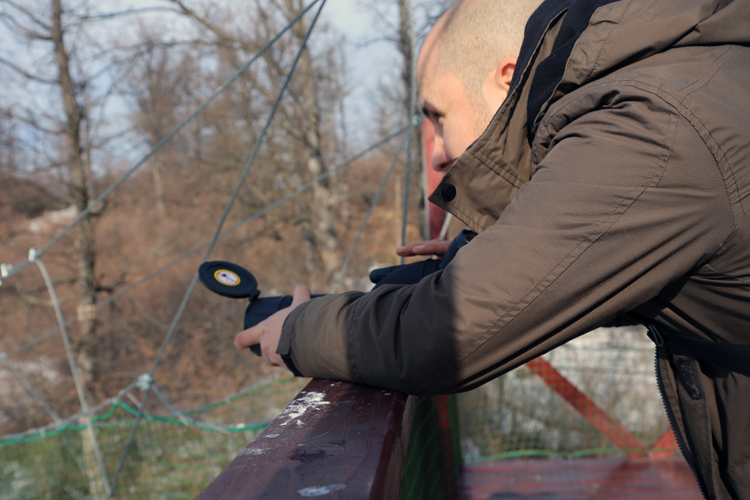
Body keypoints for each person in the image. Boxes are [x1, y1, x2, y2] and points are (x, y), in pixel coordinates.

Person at [236, 0, 750, 498]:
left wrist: (298, 329)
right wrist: (479, 257)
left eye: (438, 115)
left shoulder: (650, 132)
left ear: (506, 78)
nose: (437, 151)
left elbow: (443, 334)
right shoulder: (679, 80)